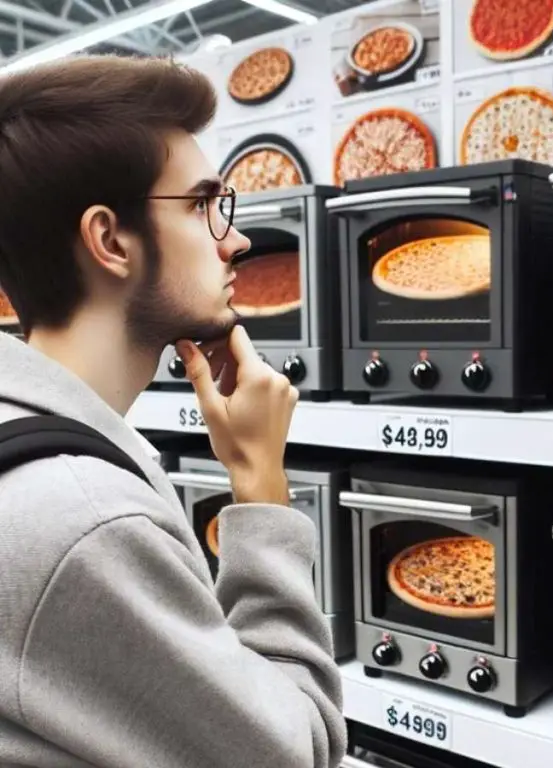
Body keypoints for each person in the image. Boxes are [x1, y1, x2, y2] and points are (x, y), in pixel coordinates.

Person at [0, 55, 346, 768]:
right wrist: (261, 488)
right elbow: (294, 754)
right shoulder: (86, 522)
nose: (236, 240)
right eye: (200, 204)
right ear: (110, 240)